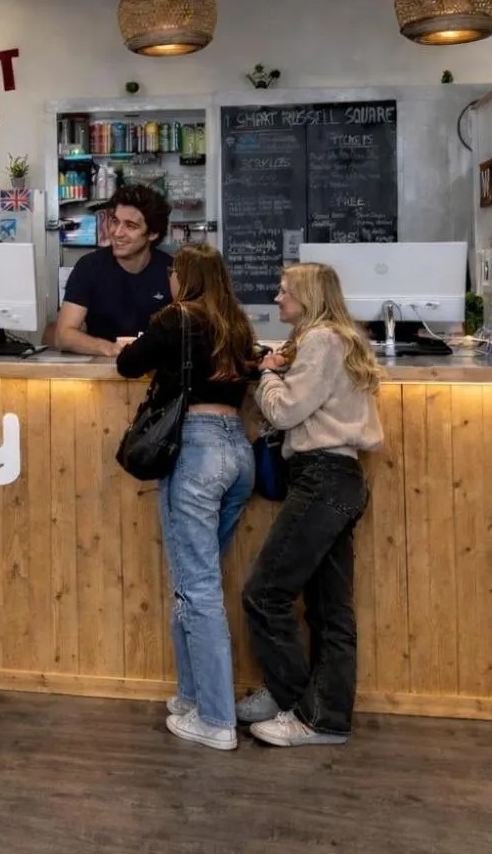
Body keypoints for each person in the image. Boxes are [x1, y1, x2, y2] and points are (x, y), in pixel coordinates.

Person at [116, 244, 258, 751]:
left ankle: (217, 720)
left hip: (195, 453)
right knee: (192, 580)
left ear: (185, 278)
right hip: (238, 453)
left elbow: (128, 363)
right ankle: (193, 697)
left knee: (196, 588)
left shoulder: (177, 319)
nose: (170, 278)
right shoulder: (237, 324)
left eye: (174, 272)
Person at [239, 262, 384, 747]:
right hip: (340, 479)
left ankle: (295, 700)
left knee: (264, 593)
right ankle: (325, 717)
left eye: (285, 292)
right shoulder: (337, 337)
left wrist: (265, 374)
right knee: (328, 610)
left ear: (308, 296)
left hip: (321, 478)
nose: (277, 299)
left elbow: (284, 410)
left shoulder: (321, 340)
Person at [54, 184, 173, 357]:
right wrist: (112, 349)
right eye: (115, 221)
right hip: (100, 372)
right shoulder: (89, 267)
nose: (117, 232)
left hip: (156, 373)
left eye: (130, 226)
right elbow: (63, 335)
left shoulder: (171, 271)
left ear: (153, 234)